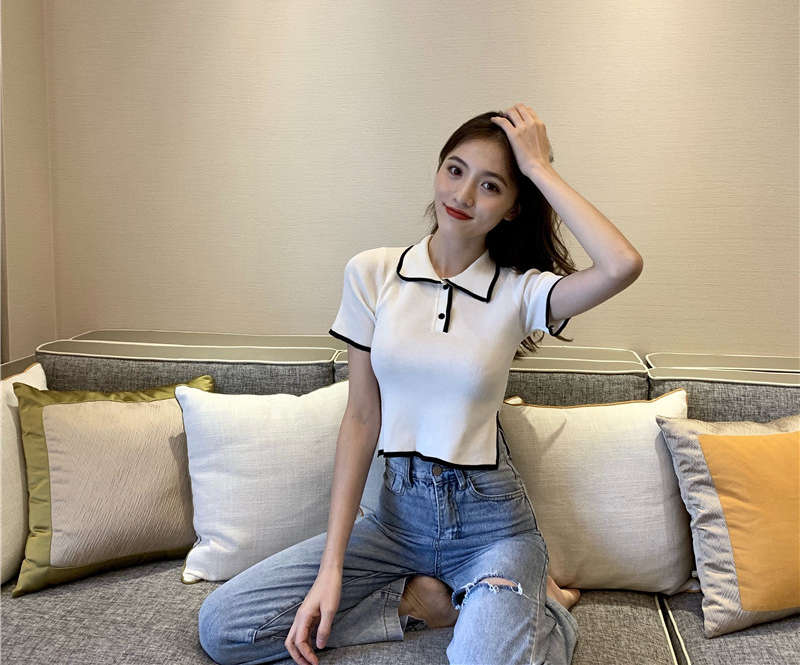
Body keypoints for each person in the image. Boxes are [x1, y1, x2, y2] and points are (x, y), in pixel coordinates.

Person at [198, 103, 644, 665]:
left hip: (491, 528)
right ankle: (424, 603)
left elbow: (622, 264)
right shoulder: (372, 273)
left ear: (512, 207)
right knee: (225, 628)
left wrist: (538, 167)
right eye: (455, 171)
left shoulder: (520, 292)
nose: (463, 195)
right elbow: (362, 417)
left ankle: (543, 605)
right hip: (394, 521)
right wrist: (331, 568)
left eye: (491, 185)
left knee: (482, 660)